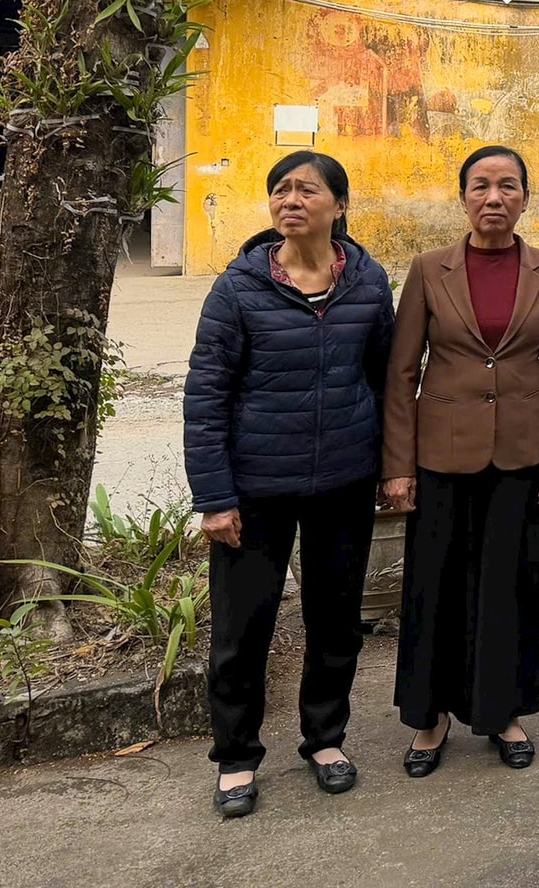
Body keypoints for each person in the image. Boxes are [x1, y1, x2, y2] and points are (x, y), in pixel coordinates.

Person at [183, 152, 395, 819]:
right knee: (243, 628)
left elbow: (386, 380)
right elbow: (206, 394)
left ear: (339, 204)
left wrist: (393, 466)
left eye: (307, 189)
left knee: (336, 620)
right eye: (280, 190)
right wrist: (214, 498)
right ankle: (237, 755)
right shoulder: (239, 287)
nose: (290, 199)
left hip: (345, 481)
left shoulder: (367, 282)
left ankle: (325, 740)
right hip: (256, 489)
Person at [383, 145, 539, 777]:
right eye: (480, 186)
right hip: (441, 451)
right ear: (463, 196)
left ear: (525, 196)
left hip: (520, 453)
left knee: (512, 584)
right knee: (433, 583)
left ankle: (503, 711)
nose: (494, 198)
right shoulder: (428, 269)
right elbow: (401, 371)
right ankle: (431, 716)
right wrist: (399, 464)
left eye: (507, 187)